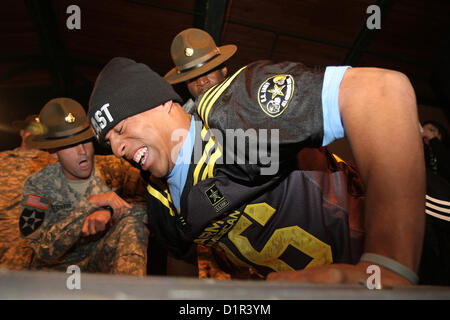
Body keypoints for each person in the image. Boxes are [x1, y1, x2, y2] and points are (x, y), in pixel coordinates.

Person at [88, 57, 424, 286]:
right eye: (109, 141)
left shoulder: (230, 115)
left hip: (426, 245)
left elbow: (380, 91)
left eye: (120, 128)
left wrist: (388, 264)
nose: (117, 149)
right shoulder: (161, 200)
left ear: (162, 102)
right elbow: (181, 259)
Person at [164, 28, 364, 280]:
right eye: (193, 78)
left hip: (332, 203)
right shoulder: (185, 138)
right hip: (287, 259)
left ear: (224, 68)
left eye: (207, 71)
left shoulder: (251, 92)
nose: (202, 81)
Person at [20, 98, 148, 275]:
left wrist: (111, 213)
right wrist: (90, 205)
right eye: (70, 145)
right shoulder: (37, 186)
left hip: (100, 263)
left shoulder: (115, 169)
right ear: (53, 153)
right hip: (57, 272)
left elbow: (156, 210)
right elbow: (42, 249)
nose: (82, 151)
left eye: (85, 140)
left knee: (131, 225)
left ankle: (130, 294)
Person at [0, 115, 57, 270]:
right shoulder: (3, 159)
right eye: (30, 130)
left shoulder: (54, 163)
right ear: (22, 132)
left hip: (24, 243)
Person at [418, 120, 450, 285]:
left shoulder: (443, 152)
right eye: (424, 129)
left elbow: (446, 167)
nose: (425, 132)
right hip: (430, 211)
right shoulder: (424, 155)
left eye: (431, 130)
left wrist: (435, 142)